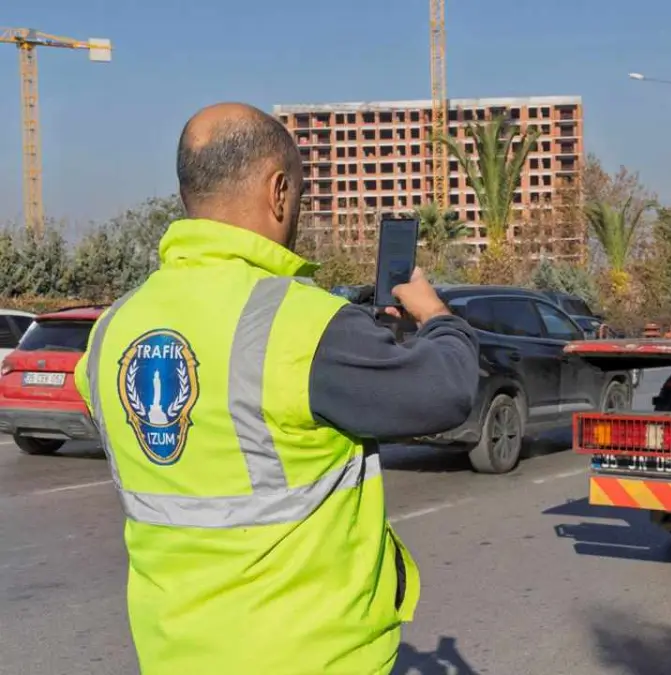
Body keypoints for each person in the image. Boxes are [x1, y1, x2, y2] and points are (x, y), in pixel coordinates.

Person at [74, 102, 480, 674]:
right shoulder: (303, 323)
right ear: (279, 191)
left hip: (173, 655)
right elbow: (447, 389)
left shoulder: (114, 328)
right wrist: (437, 316)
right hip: (310, 658)